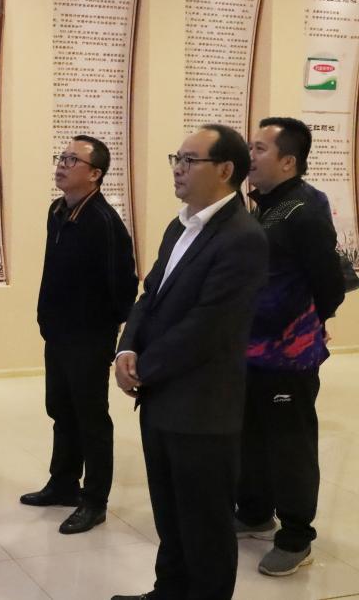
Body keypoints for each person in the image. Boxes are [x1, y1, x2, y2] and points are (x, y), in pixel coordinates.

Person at [111, 125, 268, 600]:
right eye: (175, 158)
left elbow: (209, 326)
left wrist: (145, 367)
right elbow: (150, 295)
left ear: (225, 170)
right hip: (162, 397)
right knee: (171, 514)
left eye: (189, 160)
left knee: (205, 524)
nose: (178, 168)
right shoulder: (179, 225)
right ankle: (169, 591)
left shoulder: (243, 237)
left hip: (203, 407)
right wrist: (126, 349)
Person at [235, 117, 344, 576]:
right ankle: (255, 511)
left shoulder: (304, 209)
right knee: (251, 435)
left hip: (288, 356)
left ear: (288, 161)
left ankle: (296, 536)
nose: (250, 156)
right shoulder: (263, 205)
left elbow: (329, 282)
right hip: (250, 351)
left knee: (289, 444)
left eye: (260, 149)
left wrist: (309, 321)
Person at [22, 136, 138, 535]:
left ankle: (94, 501)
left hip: (89, 337)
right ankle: (63, 483)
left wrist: (108, 332)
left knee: (91, 418)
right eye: (62, 157)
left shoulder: (103, 222)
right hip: (57, 332)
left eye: (73, 160)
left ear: (95, 174)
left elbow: (124, 285)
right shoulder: (58, 210)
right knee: (61, 409)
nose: (62, 164)